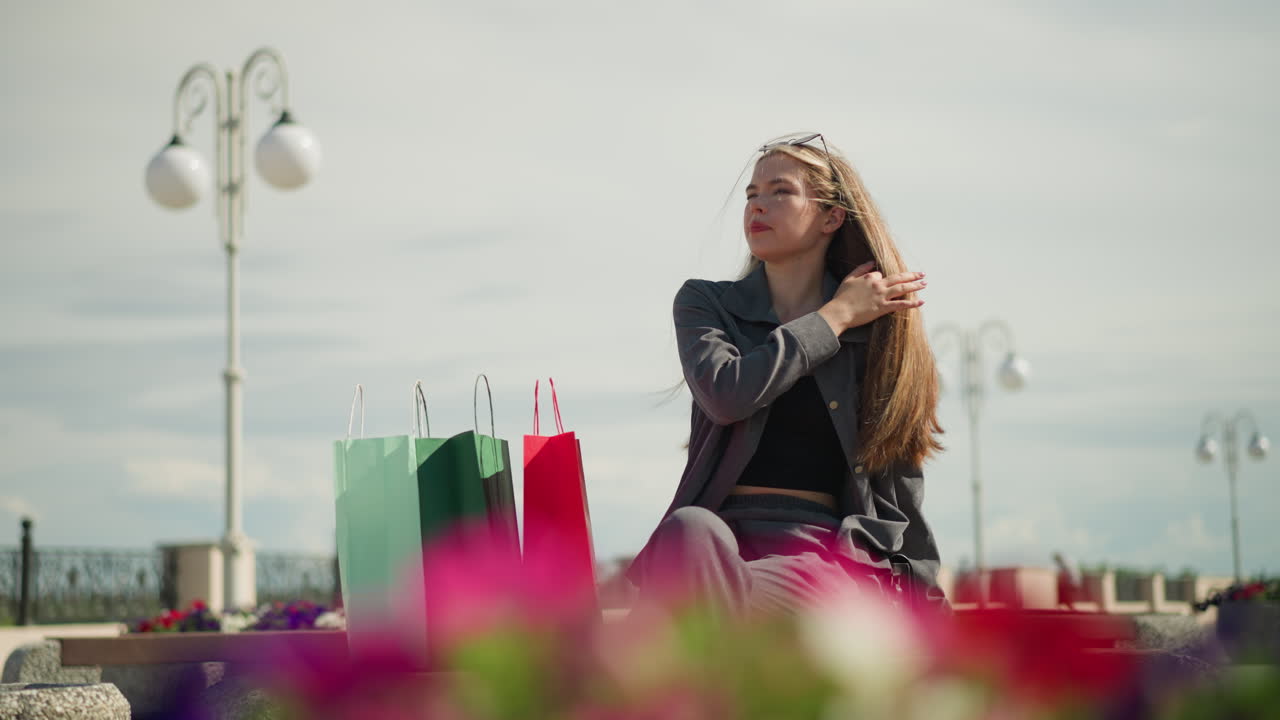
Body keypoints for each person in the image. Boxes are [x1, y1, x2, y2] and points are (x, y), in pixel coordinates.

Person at [626, 132, 948, 617]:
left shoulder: (877, 334)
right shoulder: (706, 305)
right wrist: (834, 317)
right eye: (752, 194)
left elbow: (899, 478)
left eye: (780, 191)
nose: (758, 206)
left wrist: (930, 612)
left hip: (819, 556)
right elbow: (726, 395)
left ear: (830, 217)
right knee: (688, 530)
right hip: (715, 543)